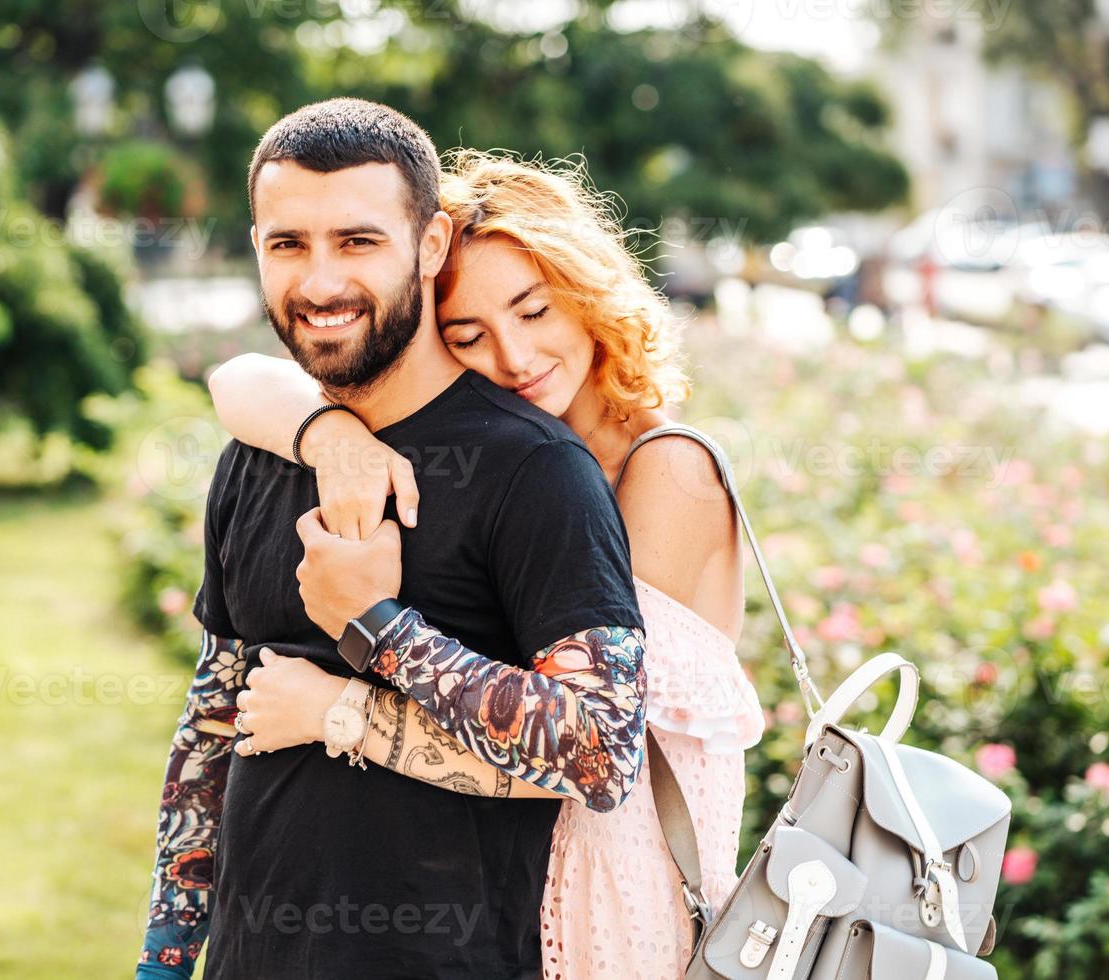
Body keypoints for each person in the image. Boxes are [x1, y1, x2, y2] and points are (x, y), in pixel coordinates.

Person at [211, 148, 765, 978]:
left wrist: (342, 699)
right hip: (518, 876)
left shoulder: (664, 470)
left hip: (623, 895)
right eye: (467, 335)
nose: (513, 357)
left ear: (588, 294)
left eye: (535, 311)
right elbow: (240, 378)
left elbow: (590, 745)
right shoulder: (518, 463)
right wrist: (331, 434)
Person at [135, 99, 649, 979]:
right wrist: (166, 953)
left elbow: (601, 749)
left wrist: (374, 626)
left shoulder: (534, 470)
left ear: (432, 246)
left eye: (358, 242)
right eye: (287, 244)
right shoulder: (260, 454)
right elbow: (214, 718)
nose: (320, 283)